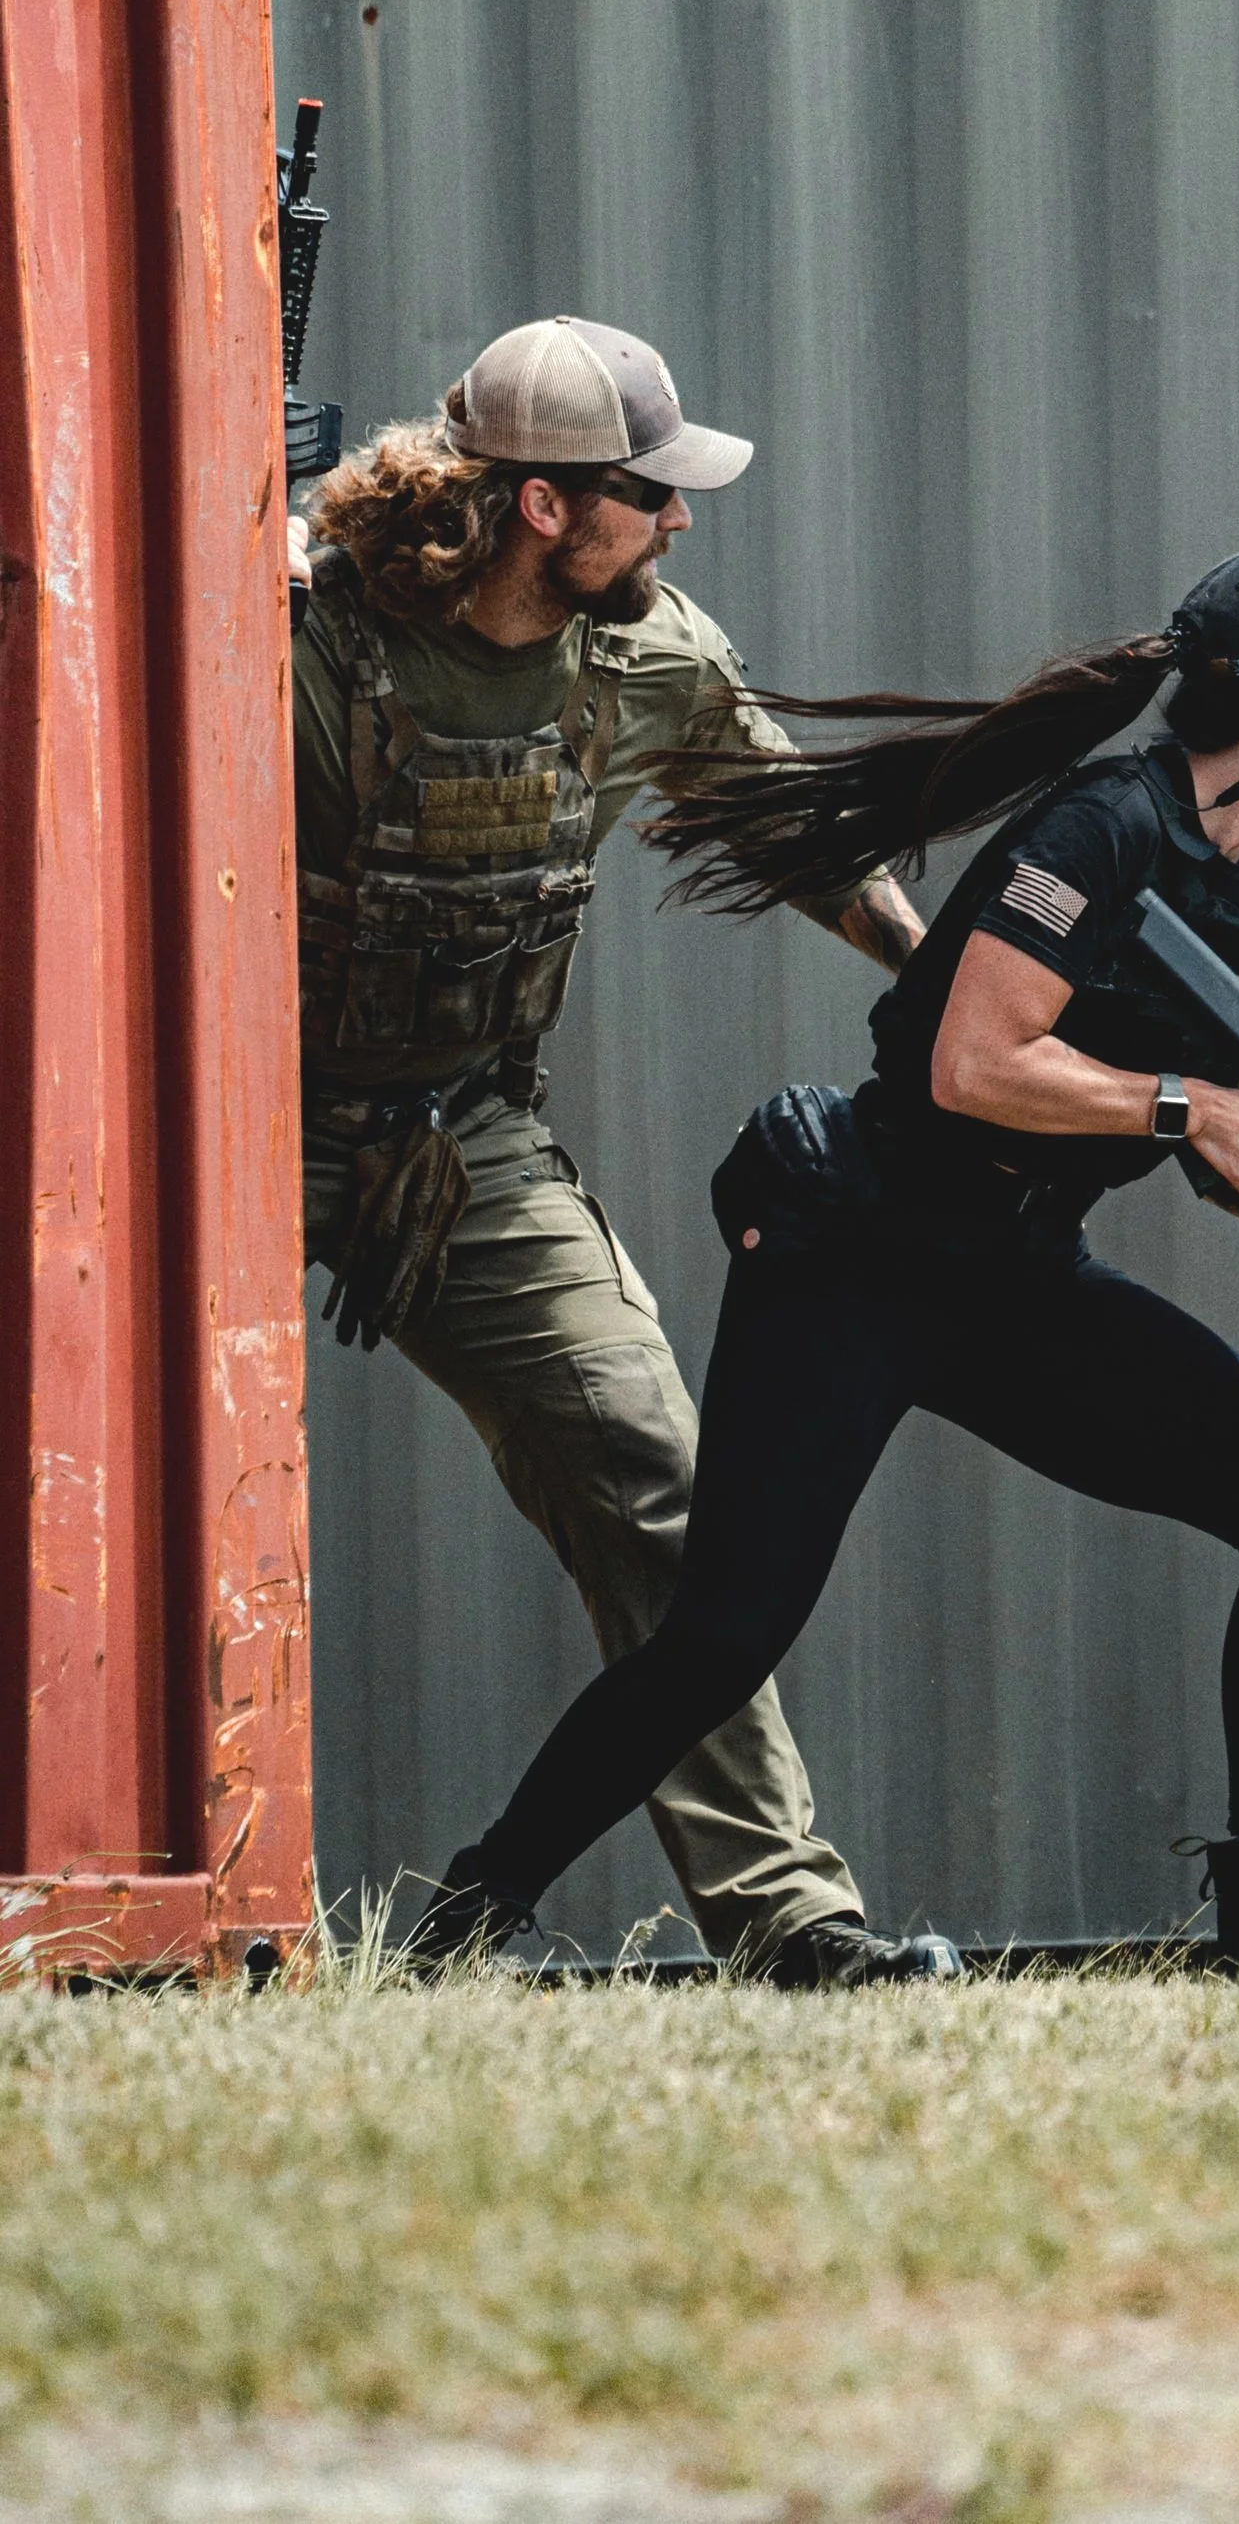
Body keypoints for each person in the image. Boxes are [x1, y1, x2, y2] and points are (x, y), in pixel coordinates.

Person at [411, 541, 1239, 1989]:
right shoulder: (1102, 828)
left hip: (1016, 1271)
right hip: (860, 1249)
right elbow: (974, 1061)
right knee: (728, 1627)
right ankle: (472, 1912)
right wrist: (1191, 1105)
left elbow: (1216, 1150)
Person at [294, 312, 959, 1987]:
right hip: (224, 1134)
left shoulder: (646, 653)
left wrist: (951, 992)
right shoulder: (297, 634)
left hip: (459, 1140)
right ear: (539, 505)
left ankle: (791, 1920)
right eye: (648, 495)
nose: (679, 523)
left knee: (664, 1481)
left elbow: (791, 825)